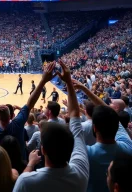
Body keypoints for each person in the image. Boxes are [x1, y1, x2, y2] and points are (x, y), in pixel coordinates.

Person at [14, 60, 89, 192]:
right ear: (71, 148)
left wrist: (31, 164)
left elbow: (74, 118)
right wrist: (69, 82)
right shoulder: (81, 173)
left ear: (43, 150)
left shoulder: (26, 181)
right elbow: (75, 117)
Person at [0, 63, 57, 160]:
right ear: (12, 116)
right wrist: (43, 81)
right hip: (21, 167)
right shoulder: (18, 125)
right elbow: (29, 104)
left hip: (0, 170)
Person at [72, 79, 132, 192]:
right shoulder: (127, 147)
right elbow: (74, 118)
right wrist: (83, 88)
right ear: (117, 126)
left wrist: (81, 88)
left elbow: (74, 119)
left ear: (94, 128)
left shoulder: (85, 154)